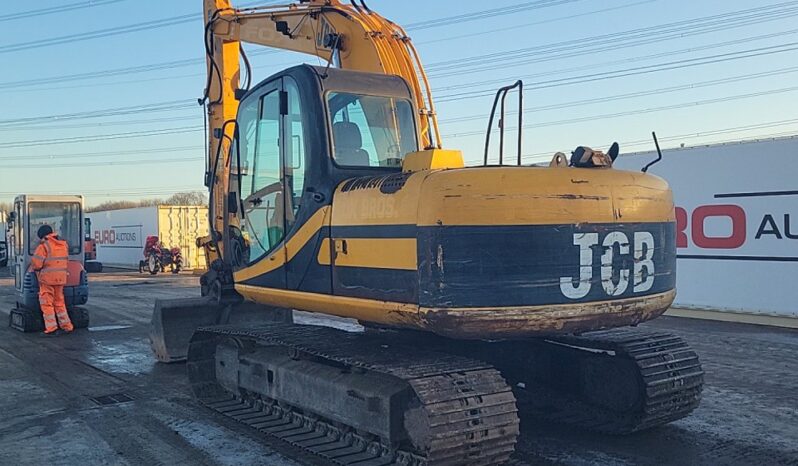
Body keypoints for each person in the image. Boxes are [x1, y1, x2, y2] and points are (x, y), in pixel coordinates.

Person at [30, 225, 74, 334]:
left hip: (47, 280)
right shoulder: (63, 244)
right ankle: (66, 326)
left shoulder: (44, 246)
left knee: (47, 303)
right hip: (61, 279)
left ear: (42, 235)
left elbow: (36, 264)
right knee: (59, 302)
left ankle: (51, 328)